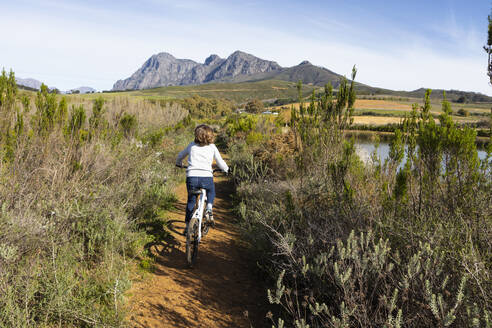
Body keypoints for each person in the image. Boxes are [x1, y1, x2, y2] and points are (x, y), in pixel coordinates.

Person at [176, 124, 229, 235]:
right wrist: (226, 170)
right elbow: (220, 162)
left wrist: (179, 163)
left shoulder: (191, 145)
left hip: (192, 177)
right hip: (206, 177)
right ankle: (209, 208)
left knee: (191, 200)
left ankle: (187, 226)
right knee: (211, 192)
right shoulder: (212, 147)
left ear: (196, 135)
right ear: (210, 136)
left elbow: (180, 155)